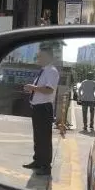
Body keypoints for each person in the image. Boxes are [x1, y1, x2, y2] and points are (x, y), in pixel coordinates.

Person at [23, 46, 60, 176]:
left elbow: (49, 90)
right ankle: (38, 161)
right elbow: (41, 89)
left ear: (47, 57)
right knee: (38, 137)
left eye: (40, 56)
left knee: (44, 138)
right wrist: (32, 89)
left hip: (44, 108)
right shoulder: (44, 71)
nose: (37, 58)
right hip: (38, 108)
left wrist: (32, 88)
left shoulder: (52, 71)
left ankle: (45, 166)